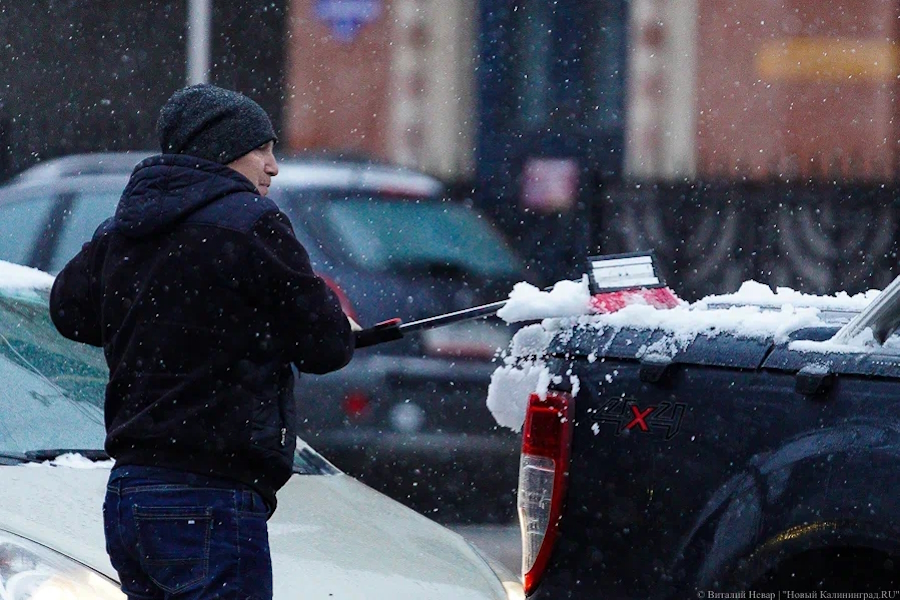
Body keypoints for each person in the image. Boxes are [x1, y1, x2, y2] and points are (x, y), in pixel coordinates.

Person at [49, 84, 358, 599]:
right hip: (211, 496)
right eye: (262, 149)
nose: (273, 167)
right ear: (225, 149)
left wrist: (157, 322)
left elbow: (68, 310)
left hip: (130, 495)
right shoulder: (252, 224)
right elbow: (325, 345)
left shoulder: (124, 227)